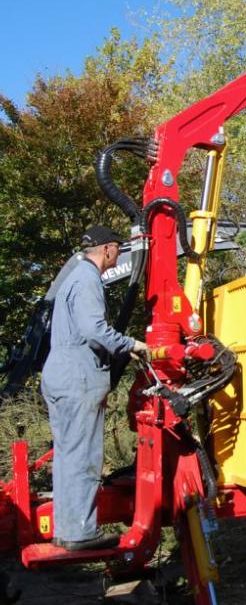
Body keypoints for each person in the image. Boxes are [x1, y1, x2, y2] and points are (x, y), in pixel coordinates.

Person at [41, 225, 151, 551]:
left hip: (59, 374)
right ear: (107, 250)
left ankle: (67, 530)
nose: (118, 255)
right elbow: (94, 330)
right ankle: (80, 534)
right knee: (84, 456)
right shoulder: (89, 279)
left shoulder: (71, 279)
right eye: (118, 249)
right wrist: (133, 344)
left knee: (66, 455)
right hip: (79, 378)